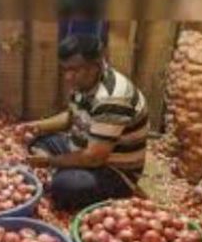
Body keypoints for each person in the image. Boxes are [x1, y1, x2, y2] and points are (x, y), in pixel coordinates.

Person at [19, 33, 149, 210]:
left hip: (113, 170)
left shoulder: (112, 98)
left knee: (63, 187)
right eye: (65, 69)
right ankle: (64, 169)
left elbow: (94, 158)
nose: (68, 77)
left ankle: (119, 193)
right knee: (36, 140)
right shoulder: (84, 83)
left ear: (96, 65)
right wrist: (36, 126)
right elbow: (71, 117)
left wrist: (50, 162)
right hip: (84, 148)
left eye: (74, 70)